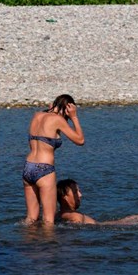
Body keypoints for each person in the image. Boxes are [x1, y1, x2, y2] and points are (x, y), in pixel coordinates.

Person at [23, 94, 85, 225]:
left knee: (30, 219)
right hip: (44, 170)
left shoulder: (37, 116)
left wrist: (54, 108)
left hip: (28, 167)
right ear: (68, 108)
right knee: (48, 221)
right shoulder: (58, 120)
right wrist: (74, 117)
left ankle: (27, 244)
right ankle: (48, 246)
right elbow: (80, 140)